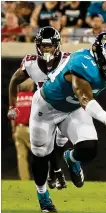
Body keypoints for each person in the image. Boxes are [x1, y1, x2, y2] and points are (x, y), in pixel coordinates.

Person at [29, 32, 106, 212]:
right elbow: (84, 97)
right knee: (40, 154)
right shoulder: (82, 63)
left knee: (89, 147)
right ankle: (42, 194)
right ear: (101, 55)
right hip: (47, 107)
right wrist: (105, 117)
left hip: (71, 109)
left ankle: (71, 158)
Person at [8, 26, 70, 190]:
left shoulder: (67, 60)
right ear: (38, 46)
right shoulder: (30, 63)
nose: (46, 48)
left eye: (49, 45)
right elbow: (14, 81)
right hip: (44, 108)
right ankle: (54, 173)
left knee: (60, 142)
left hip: (64, 107)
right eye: (43, 45)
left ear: (57, 45)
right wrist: (11, 106)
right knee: (43, 147)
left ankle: (55, 171)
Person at [11, 79, 34, 180]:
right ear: (30, 86)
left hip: (18, 129)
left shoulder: (16, 98)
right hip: (30, 130)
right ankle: (45, 178)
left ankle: (24, 179)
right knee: (41, 155)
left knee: (21, 156)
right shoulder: (34, 97)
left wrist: (14, 129)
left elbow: (12, 115)